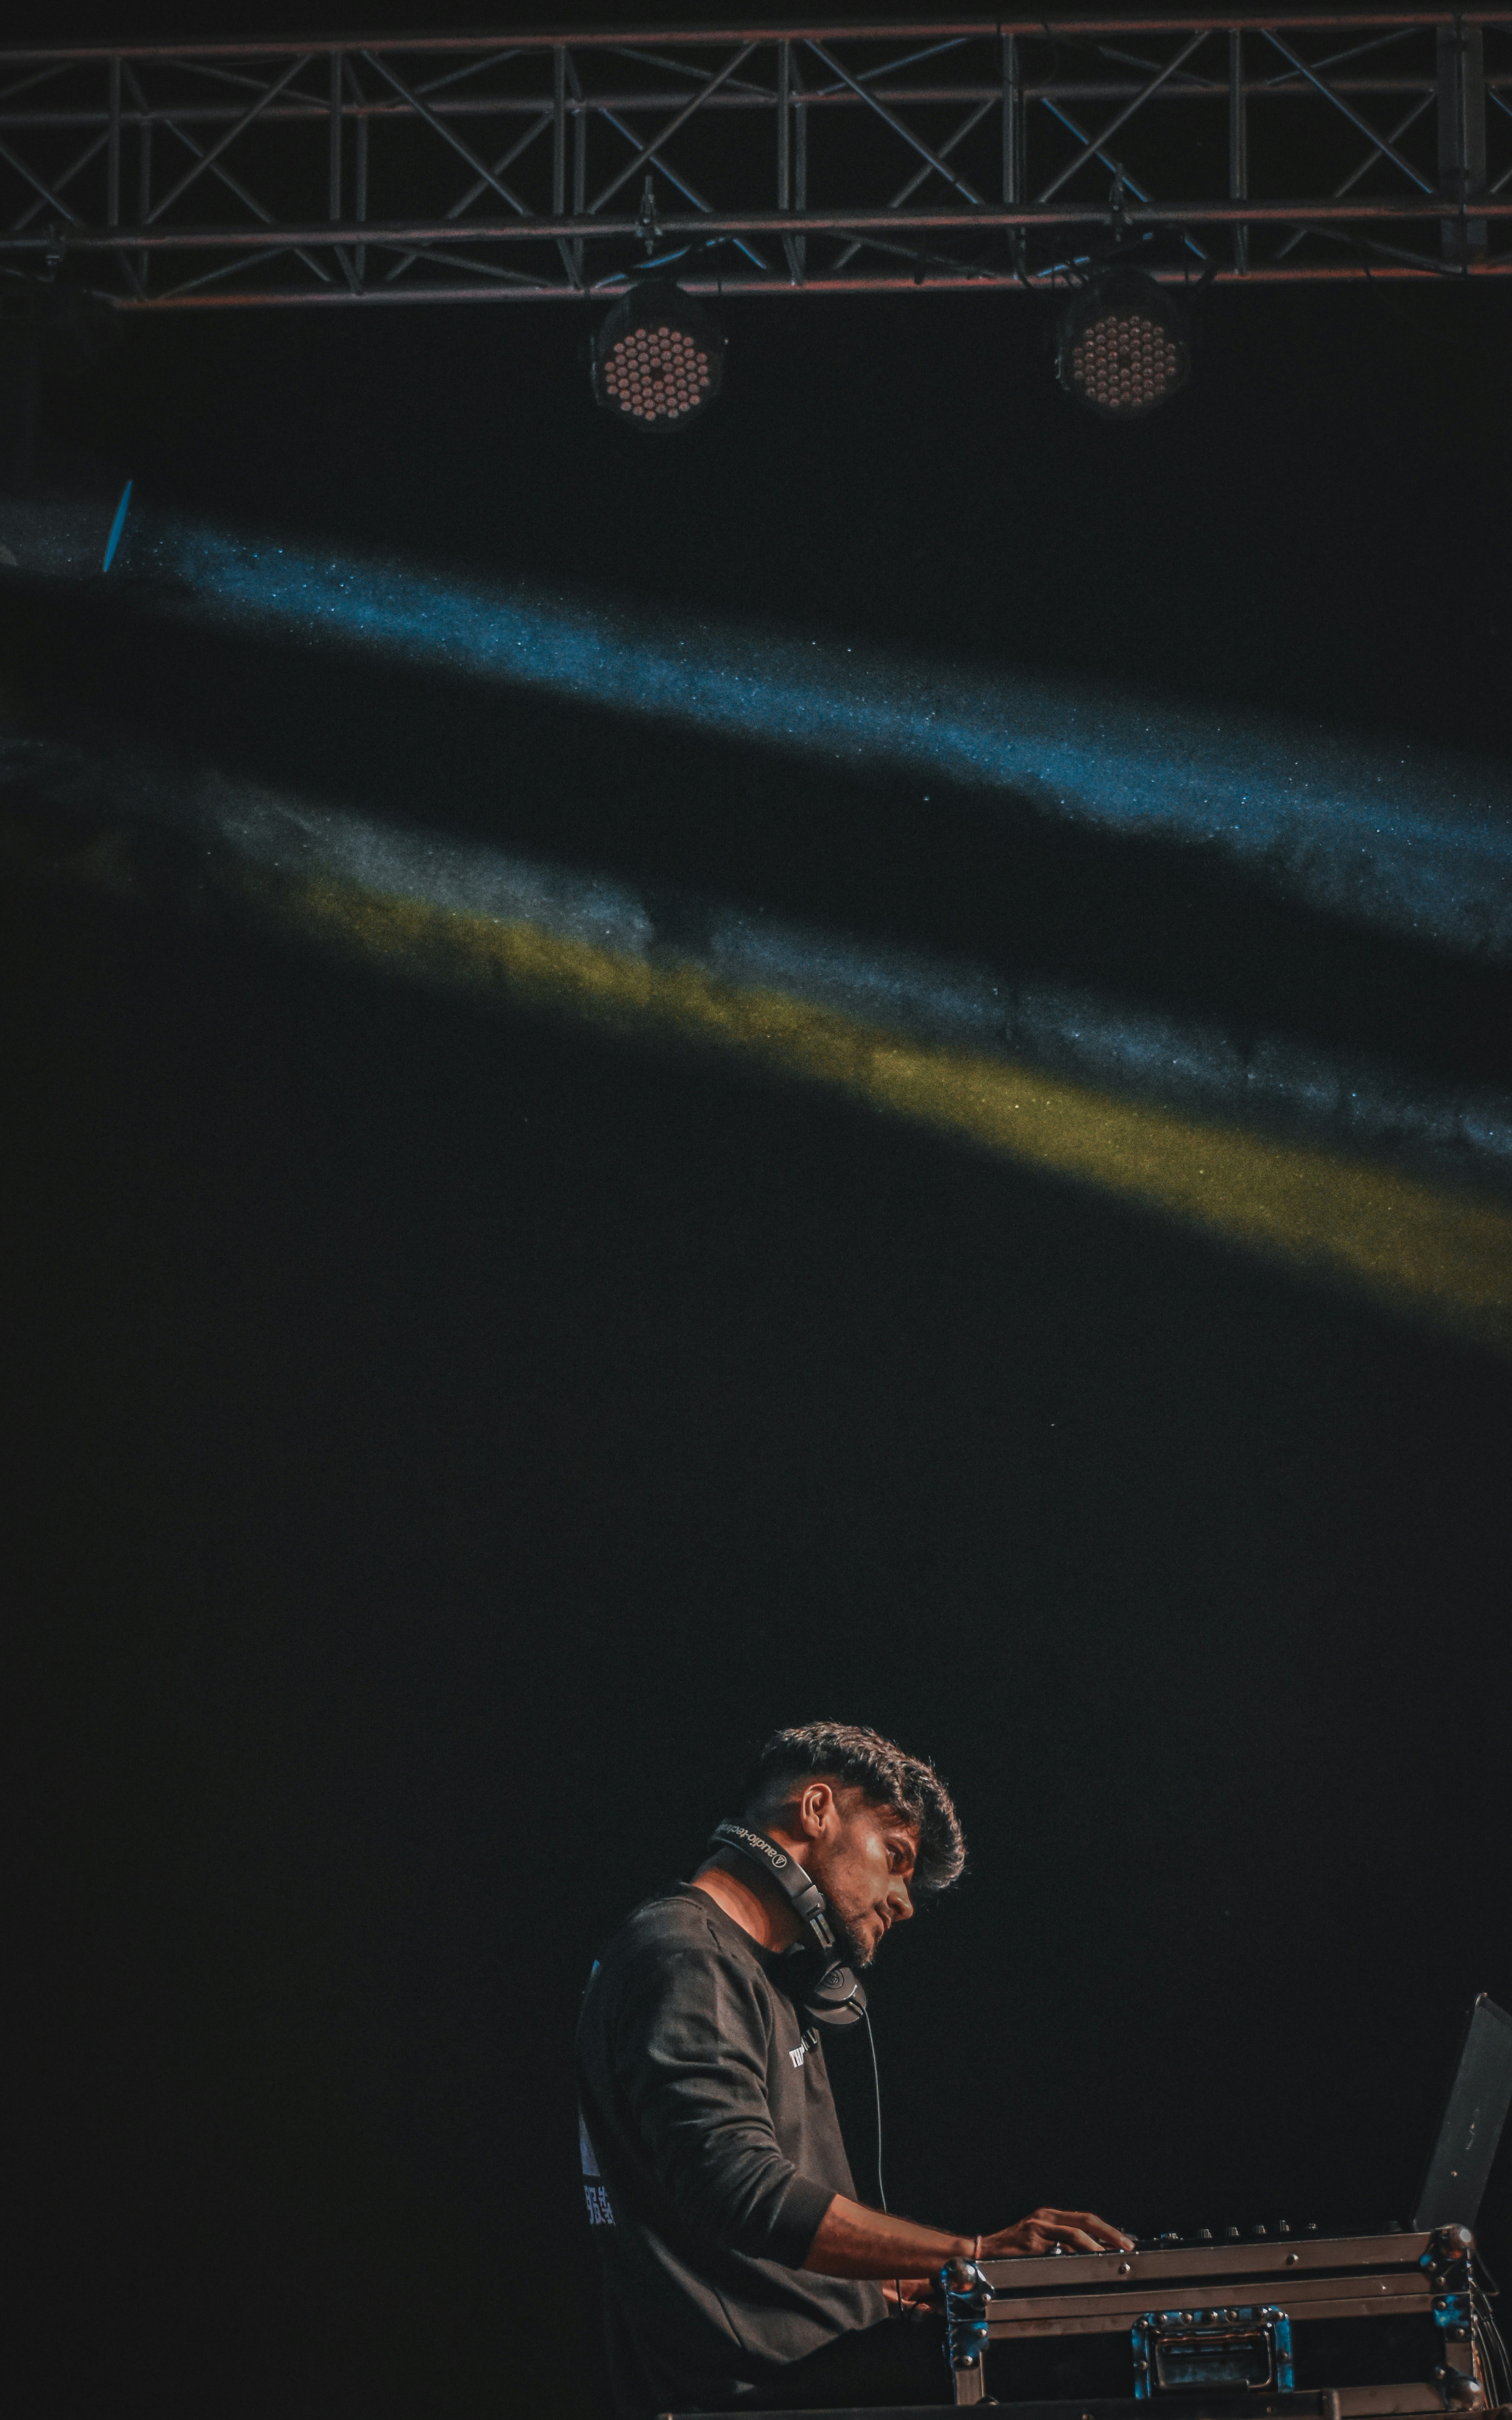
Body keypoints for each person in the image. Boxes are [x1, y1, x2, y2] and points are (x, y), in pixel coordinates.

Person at [575, 1721, 1131, 2417]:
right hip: (767, 2394)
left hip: (798, 2372)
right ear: (815, 1810)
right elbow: (737, 2190)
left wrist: (883, 2288)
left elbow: (725, 2236)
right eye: (895, 1856)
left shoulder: (747, 1973)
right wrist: (972, 2249)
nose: (904, 1901)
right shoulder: (686, 1957)